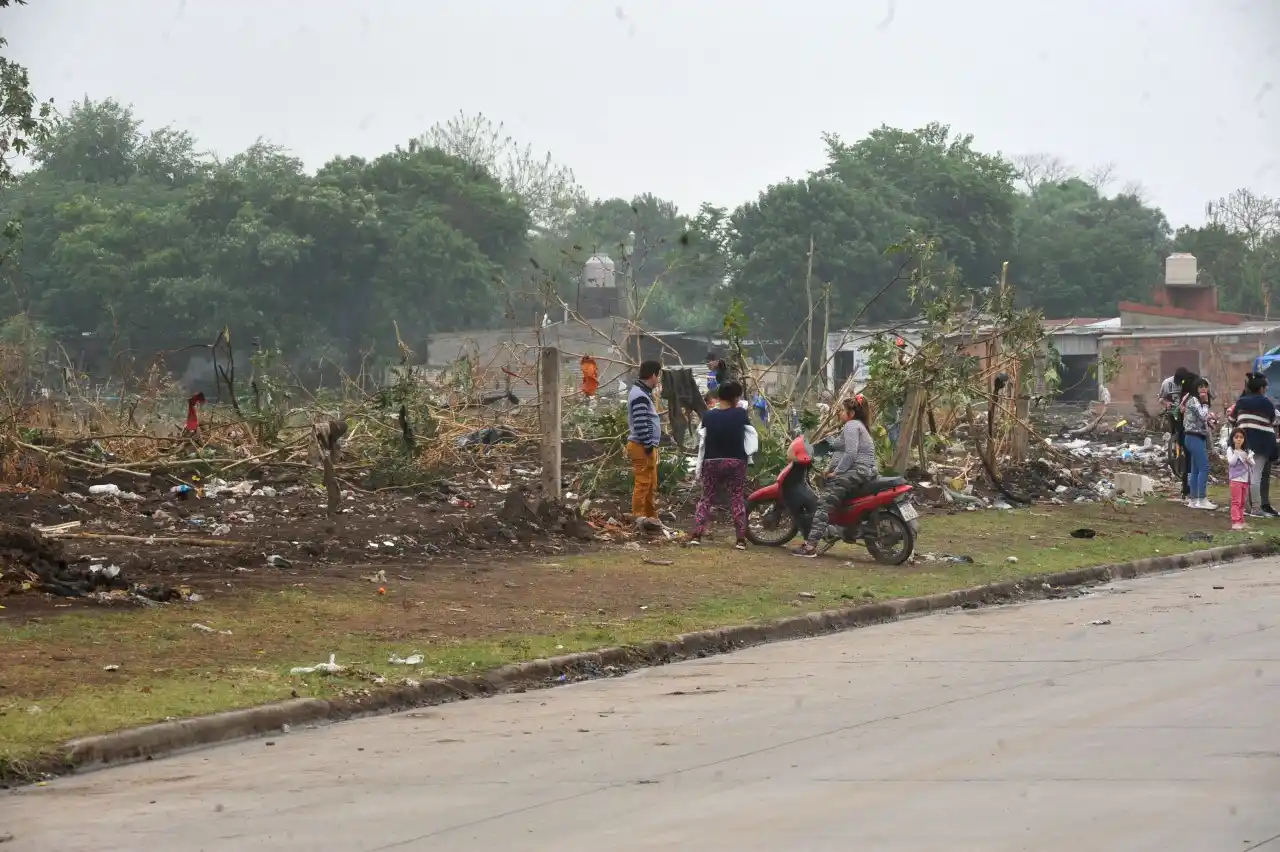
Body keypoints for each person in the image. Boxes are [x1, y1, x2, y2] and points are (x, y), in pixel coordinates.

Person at [794, 395, 878, 558]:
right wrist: (827, 465)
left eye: (842, 411)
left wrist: (837, 472)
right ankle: (843, 529)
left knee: (824, 503)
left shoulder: (852, 426)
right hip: (864, 471)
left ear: (851, 413)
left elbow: (850, 454)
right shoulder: (859, 426)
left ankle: (810, 547)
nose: (839, 413)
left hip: (856, 471)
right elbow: (838, 447)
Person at [689, 380, 750, 550]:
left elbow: (701, 439)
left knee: (707, 498)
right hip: (735, 461)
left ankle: (697, 534)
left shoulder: (708, 416)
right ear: (735, 397)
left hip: (711, 462)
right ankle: (740, 540)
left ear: (719, 396)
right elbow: (750, 436)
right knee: (736, 497)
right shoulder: (740, 414)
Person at [1230, 372, 1278, 517]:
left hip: (1245, 443)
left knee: (1248, 476)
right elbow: (1274, 420)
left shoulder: (1241, 402)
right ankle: (1256, 509)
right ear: (1261, 388)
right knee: (1257, 476)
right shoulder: (1266, 403)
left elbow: (1232, 419)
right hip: (1263, 444)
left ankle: (1251, 506)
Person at [627, 360, 663, 522]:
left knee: (650, 485)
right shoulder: (639, 395)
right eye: (658, 376)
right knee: (643, 484)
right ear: (653, 375)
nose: (658, 380)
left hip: (647, 445)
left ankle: (651, 518)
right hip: (642, 446)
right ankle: (639, 518)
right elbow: (641, 423)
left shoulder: (642, 393)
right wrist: (649, 447)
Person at [1182, 377, 1215, 510]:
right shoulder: (1194, 400)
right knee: (1204, 467)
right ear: (1196, 388)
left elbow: (1203, 419)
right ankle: (1202, 498)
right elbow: (1202, 415)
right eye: (1200, 386)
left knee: (1195, 469)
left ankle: (1193, 499)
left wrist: (1210, 424)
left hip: (1195, 437)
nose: (1203, 389)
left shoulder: (1194, 401)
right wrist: (1205, 403)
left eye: (1205, 386)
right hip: (1193, 437)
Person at [1227, 428, 1253, 530]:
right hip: (1236, 479)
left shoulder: (1247, 451)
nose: (1239, 439)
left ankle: (1241, 521)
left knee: (1242, 502)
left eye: (1241, 437)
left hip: (1245, 480)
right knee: (1236, 502)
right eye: (1236, 437)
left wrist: (1249, 459)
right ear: (1232, 438)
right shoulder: (1231, 450)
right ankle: (1235, 522)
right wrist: (1237, 452)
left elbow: (1253, 463)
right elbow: (1231, 463)